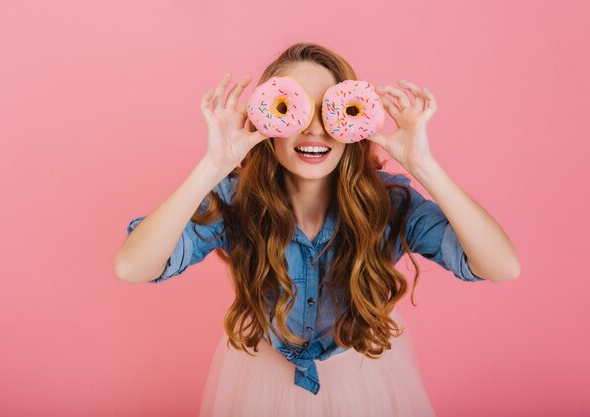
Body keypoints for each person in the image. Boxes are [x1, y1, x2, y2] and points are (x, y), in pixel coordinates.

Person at [115, 42, 521, 417]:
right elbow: (134, 267)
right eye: (293, 110)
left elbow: (501, 266)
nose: (314, 128)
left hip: (364, 380)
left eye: (331, 111)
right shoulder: (237, 200)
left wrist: (423, 165)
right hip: (260, 383)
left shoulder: (388, 202)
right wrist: (212, 166)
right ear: (265, 121)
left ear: (357, 121)